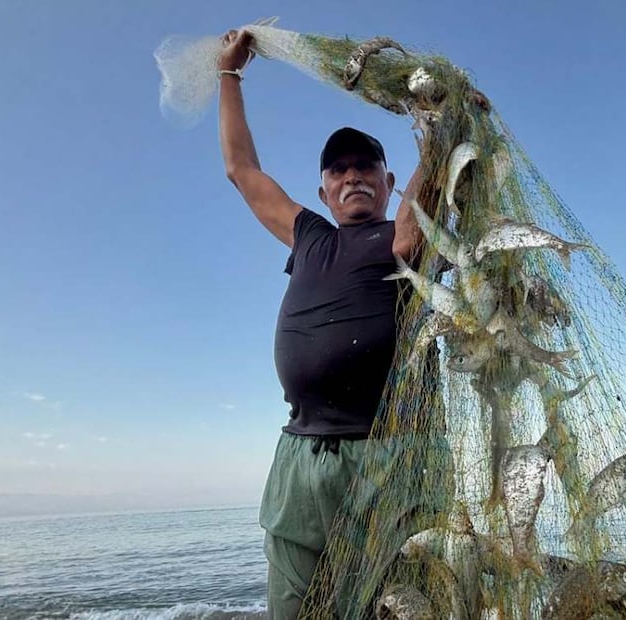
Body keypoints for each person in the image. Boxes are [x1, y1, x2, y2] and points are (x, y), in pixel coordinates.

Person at [217, 28, 426, 619]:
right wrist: (229, 75)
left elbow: (416, 221)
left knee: (405, 599)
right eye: (339, 170)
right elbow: (241, 169)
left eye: (367, 168)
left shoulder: (413, 233)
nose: (352, 176)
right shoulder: (310, 235)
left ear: (390, 184)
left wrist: (437, 132)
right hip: (302, 458)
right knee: (298, 607)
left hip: (396, 456)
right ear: (323, 190)